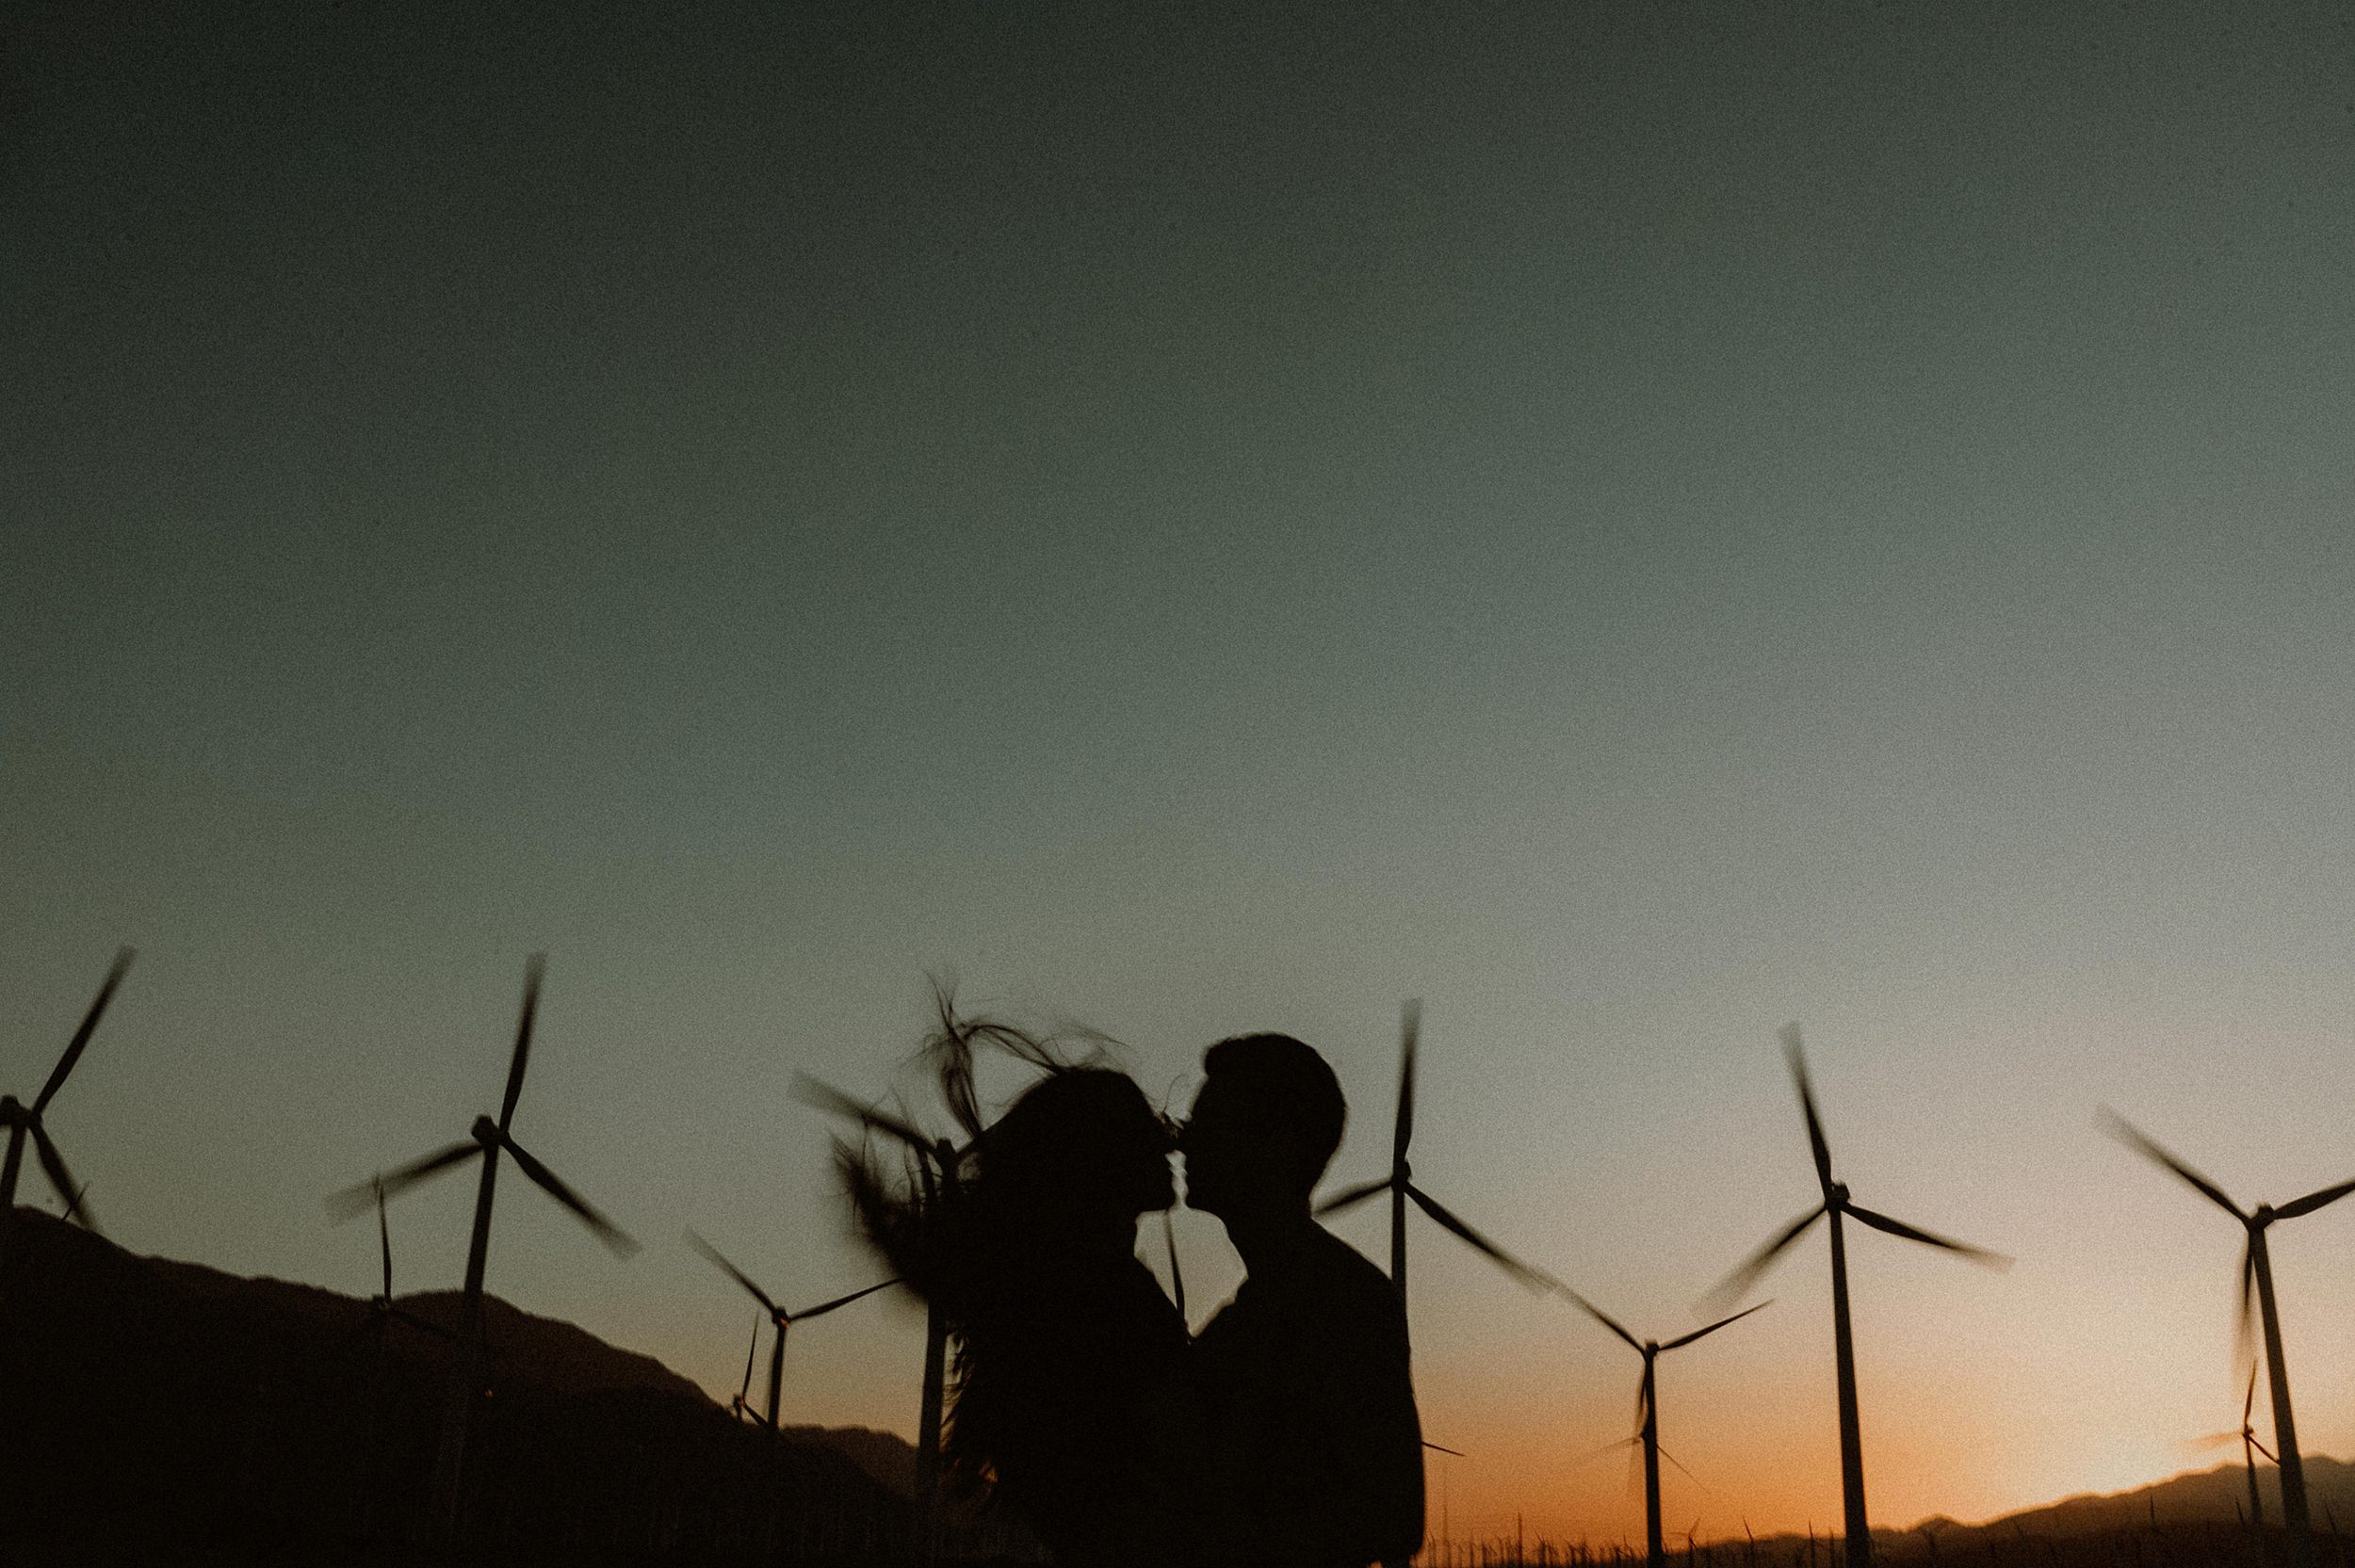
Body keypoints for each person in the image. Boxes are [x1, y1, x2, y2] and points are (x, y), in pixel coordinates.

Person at [841, 1021, 1208, 1566]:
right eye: (1142, 1128)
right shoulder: (1099, 1304)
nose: (1167, 1142)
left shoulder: (1053, 1298)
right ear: (1096, 1158)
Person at [1182, 1033, 1424, 1568]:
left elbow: (1394, 1516)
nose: (1184, 1143)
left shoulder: (1345, 1302)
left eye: (1210, 1125)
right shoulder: (1260, 1309)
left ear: (1278, 1144)